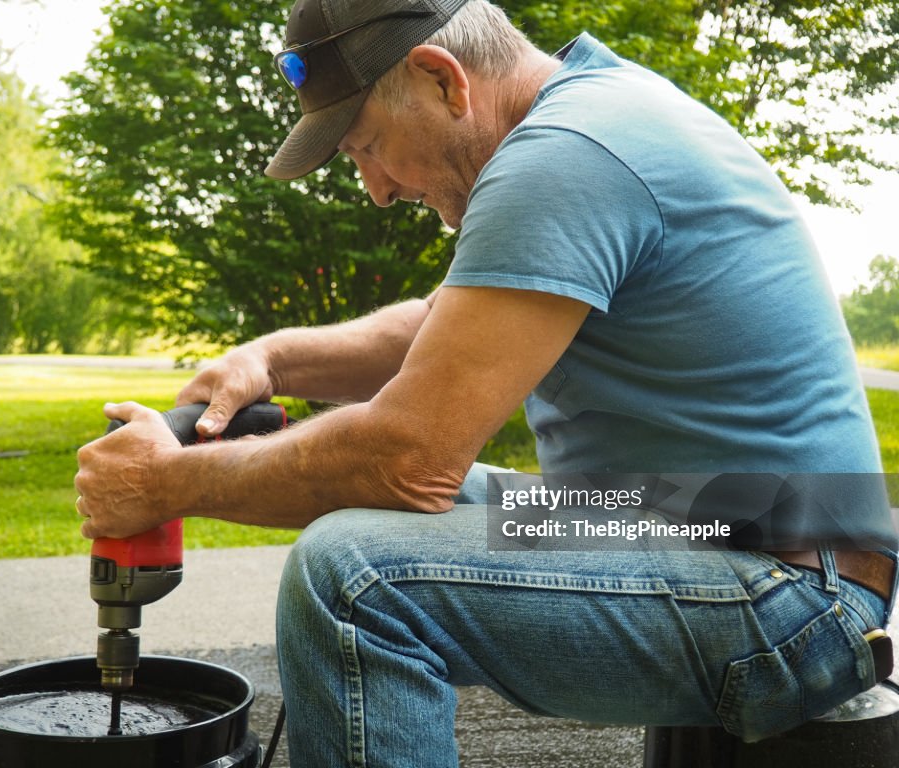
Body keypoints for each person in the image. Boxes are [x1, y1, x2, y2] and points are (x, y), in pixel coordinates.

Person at [74, 0, 898, 765]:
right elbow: (439, 328)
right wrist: (274, 358)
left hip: (788, 588)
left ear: (443, 79)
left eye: (366, 147)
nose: (377, 190)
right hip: (689, 523)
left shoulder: (567, 154)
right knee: (362, 514)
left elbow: (407, 458)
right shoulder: (591, 115)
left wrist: (165, 482)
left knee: (353, 578)